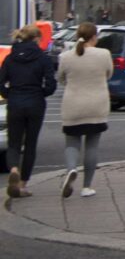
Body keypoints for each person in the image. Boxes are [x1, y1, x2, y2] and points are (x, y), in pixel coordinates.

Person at [56, 23, 113, 199]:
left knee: (72, 142)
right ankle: (87, 187)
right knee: (92, 145)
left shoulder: (66, 57)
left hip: (73, 105)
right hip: (97, 105)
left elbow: (61, 78)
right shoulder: (104, 54)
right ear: (94, 37)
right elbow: (108, 74)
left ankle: (71, 169)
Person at [3, 24, 58, 197]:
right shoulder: (43, 58)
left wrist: (9, 94)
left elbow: (0, 81)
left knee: (13, 143)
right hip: (35, 103)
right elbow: (51, 84)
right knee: (30, 145)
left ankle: (13, 169)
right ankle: (23, 184)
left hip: (15, 102)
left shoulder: (10, 58)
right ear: (36, 39)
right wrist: (41, 93)